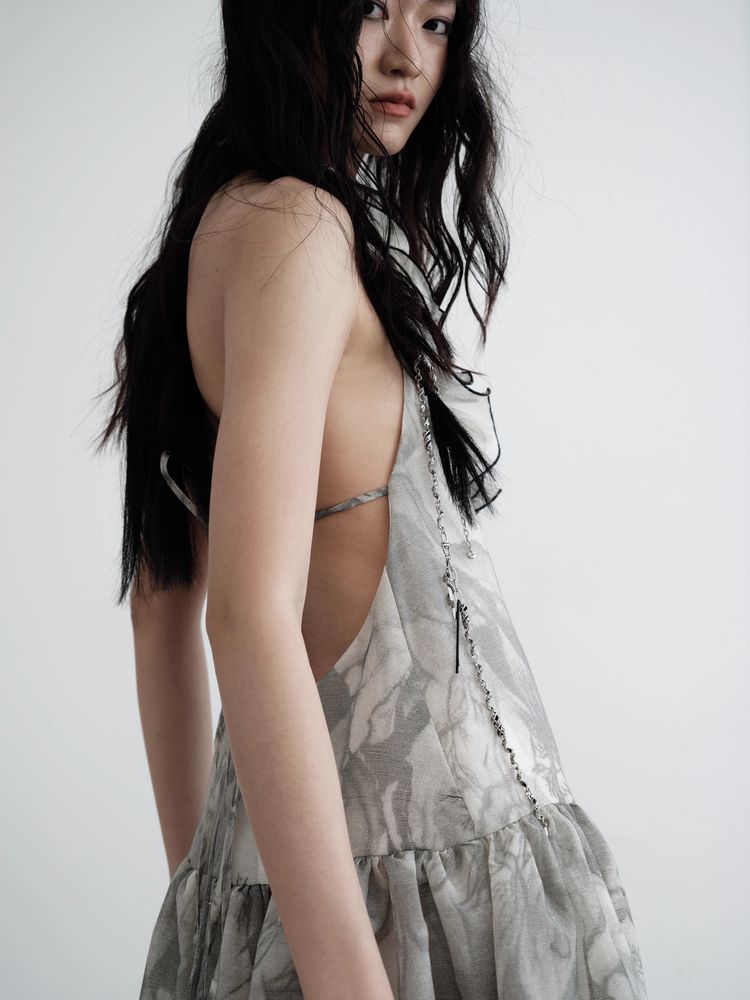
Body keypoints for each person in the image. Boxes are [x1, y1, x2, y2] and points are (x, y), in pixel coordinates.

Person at [96, 2, 649, 998]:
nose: (406, 57)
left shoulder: (232, 225)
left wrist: (213, 890)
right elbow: (241, 613)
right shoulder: (299, 230)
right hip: (418, 900)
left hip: (347, 889)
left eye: (436, 21)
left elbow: (161, 605)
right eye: (370, 10)